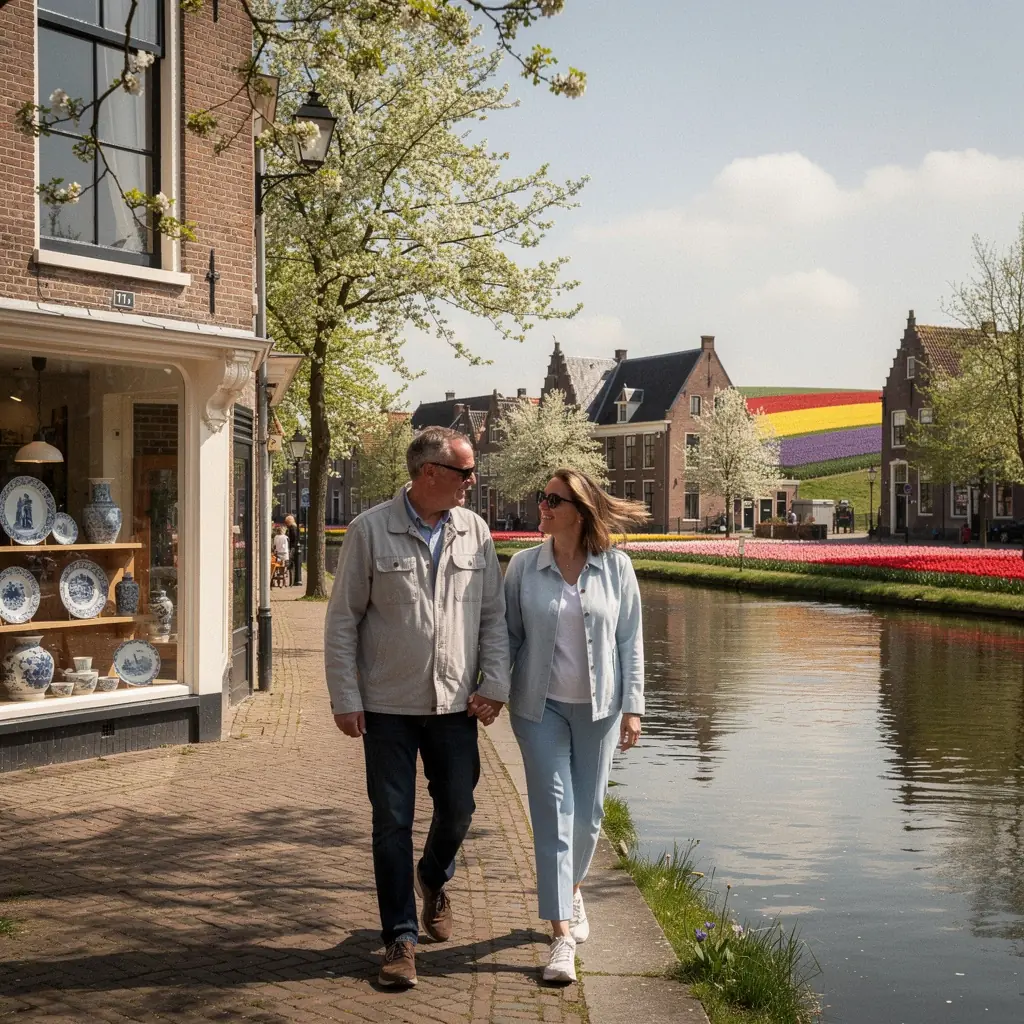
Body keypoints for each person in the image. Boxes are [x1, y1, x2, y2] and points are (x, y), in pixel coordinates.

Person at [324, 426, 510, 990]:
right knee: (391, 824)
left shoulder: (475, 532)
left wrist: (495, 681)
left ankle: (433, 876)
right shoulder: (369, 531)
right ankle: (400, 939)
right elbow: (342, 622)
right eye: (464, 472)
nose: (472, 483)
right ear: (430, 472)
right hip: (386, 707)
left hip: (455, 704)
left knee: (458, 809)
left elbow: (492, 618)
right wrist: (345, 697)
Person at [504, 468, 649, 983]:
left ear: (581, 512)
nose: (541, 506)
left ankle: (572, 889)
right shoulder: (523, 567)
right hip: (538, 709)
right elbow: (508, 638)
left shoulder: (617, 568)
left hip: (600, 710)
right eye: (541, 497)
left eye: (553, 500)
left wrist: (633, 706)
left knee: (588, 817)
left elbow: (630, 641)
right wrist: (492, 690)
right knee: (553, 811)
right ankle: (560, 934)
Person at [284, 514, 300, 585]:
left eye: (286, 522)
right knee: (291, 564)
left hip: (292, 547)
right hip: (293, 547)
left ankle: (293, 581)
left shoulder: (292, 528)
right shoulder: (293, 527)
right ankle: (292, 581)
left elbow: (293, 538)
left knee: (290, 563)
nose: (286, 524)